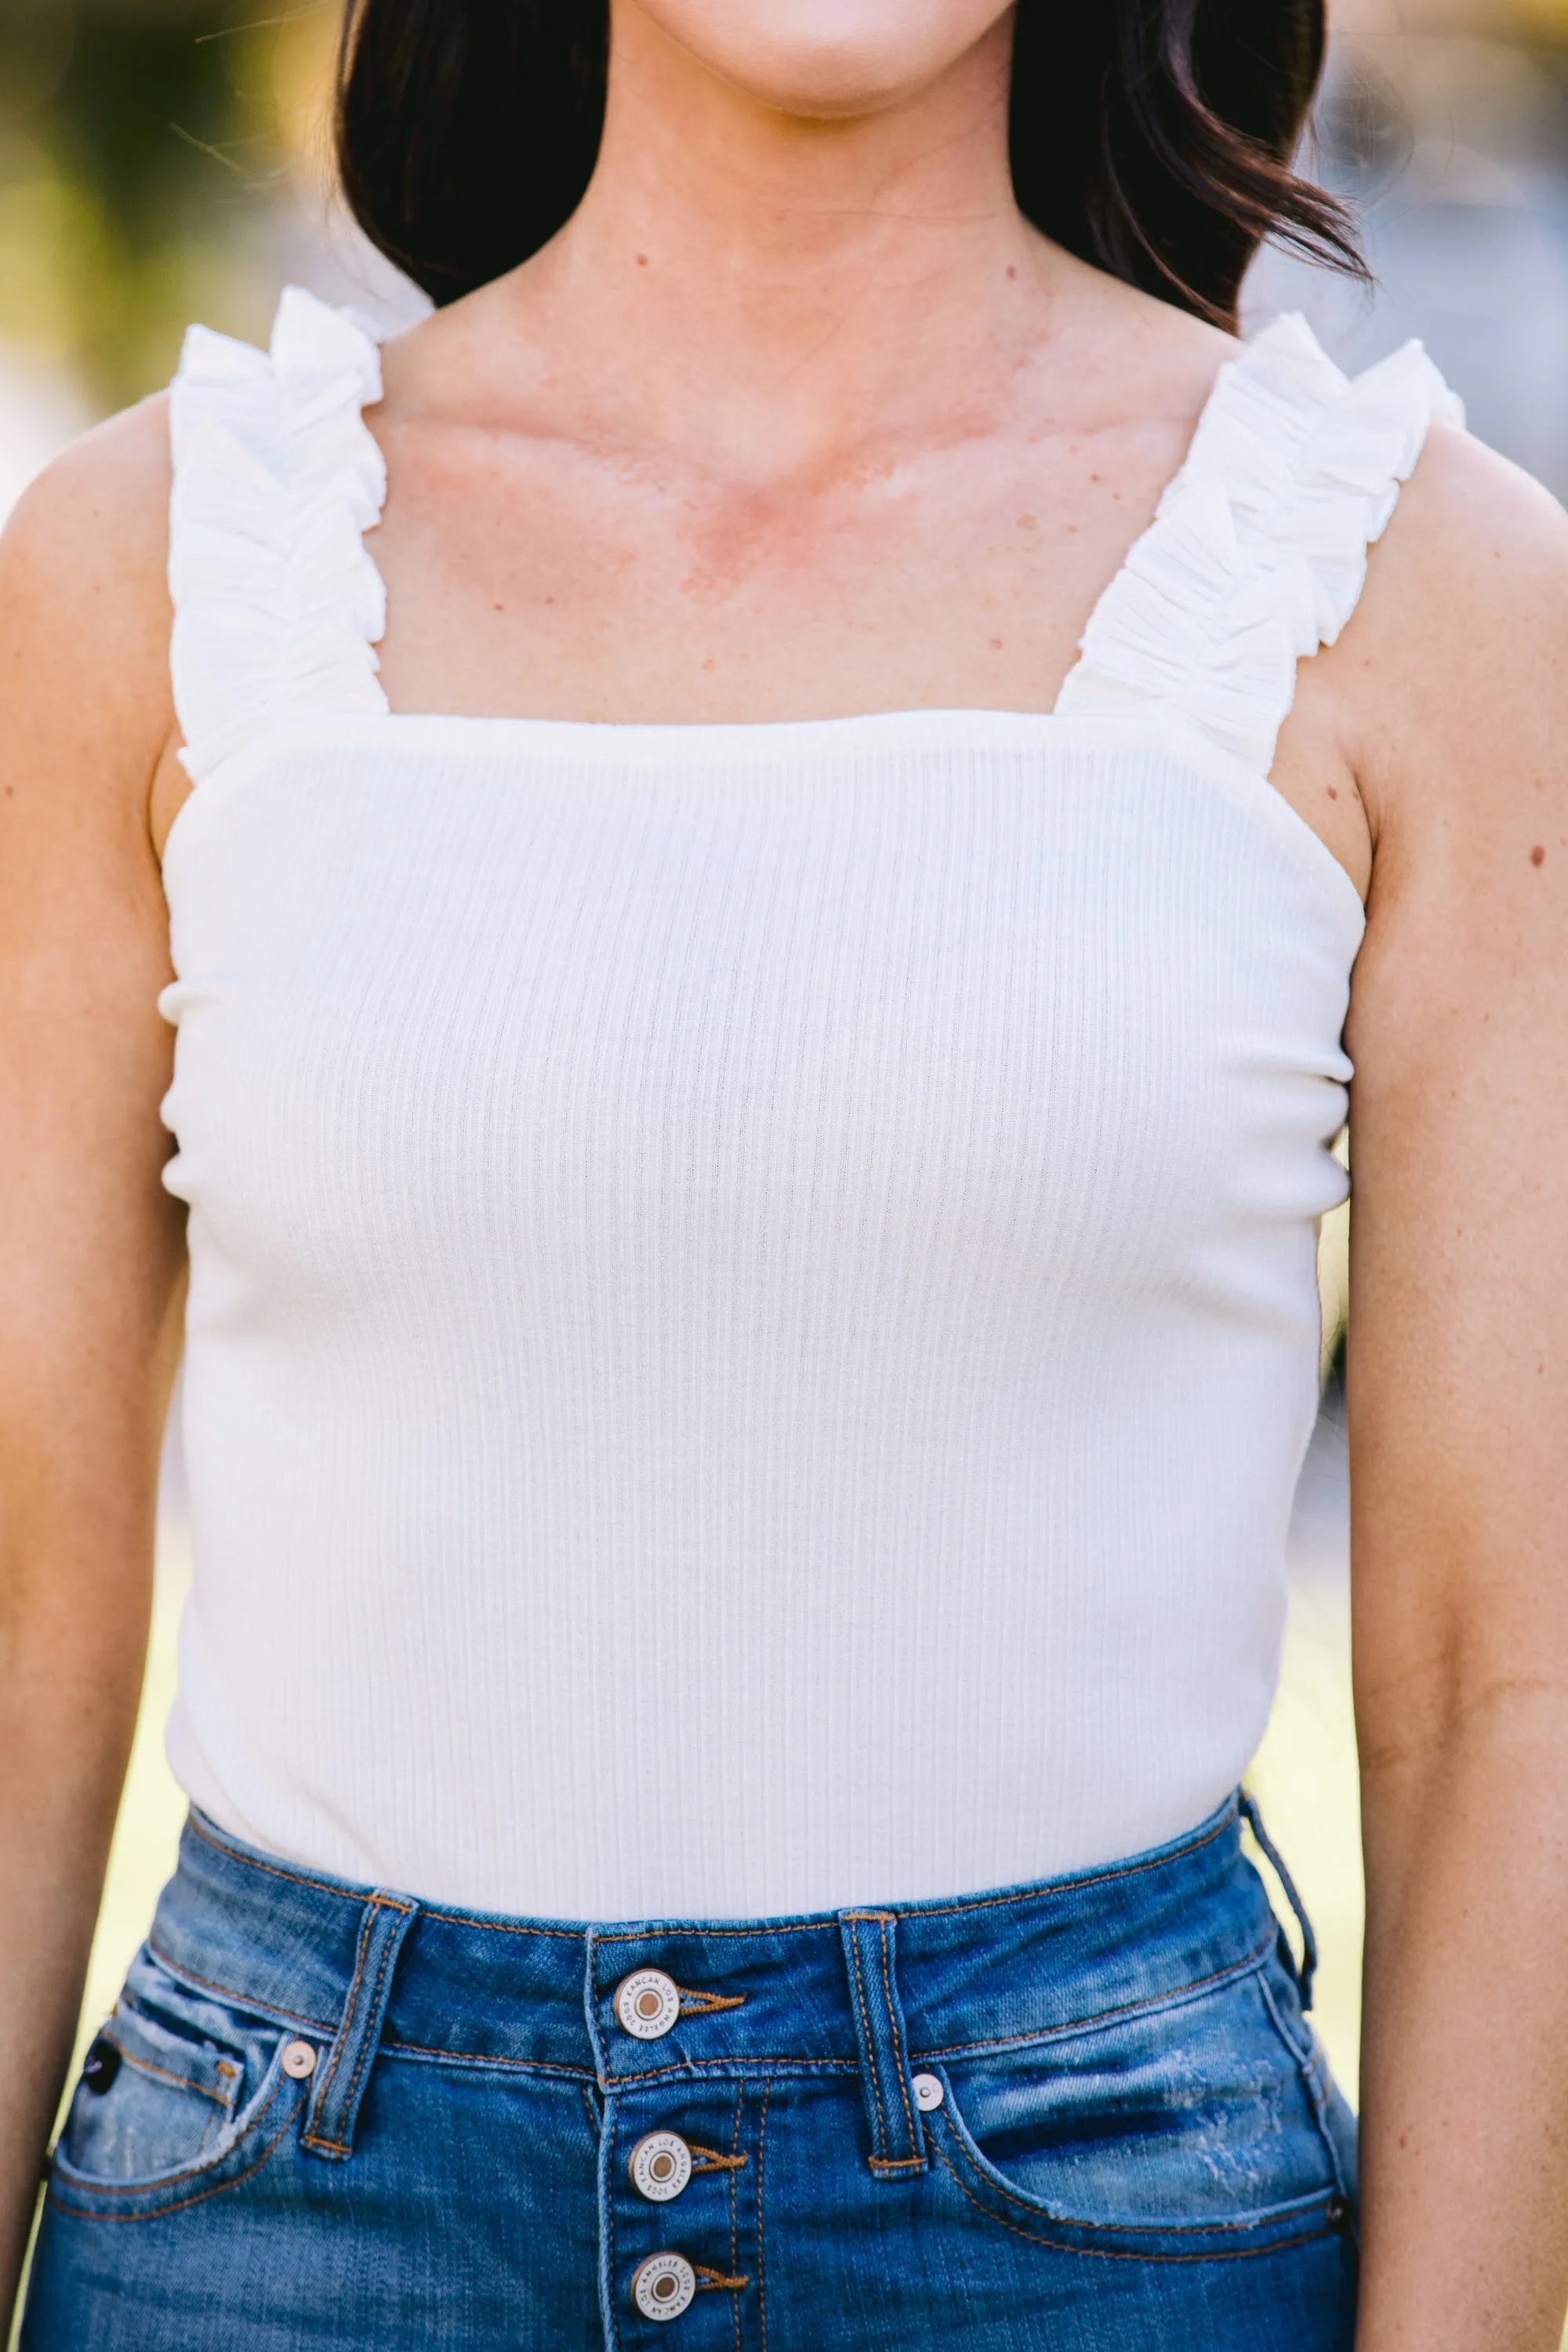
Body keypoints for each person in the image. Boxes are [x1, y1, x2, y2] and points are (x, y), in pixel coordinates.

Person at [4, 0, 1567, 2343]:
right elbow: (23, 1608)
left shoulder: (1423, 595)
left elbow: (1499, 1687)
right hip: (281, 2247)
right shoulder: (150, 569)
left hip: (1098, 2251)